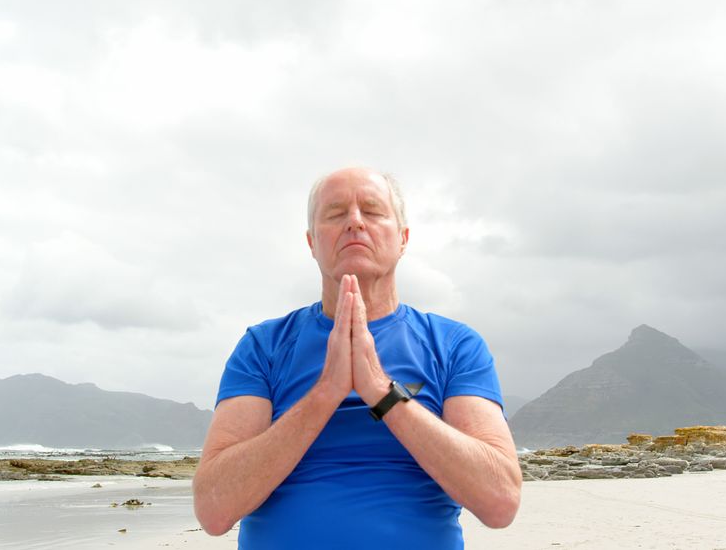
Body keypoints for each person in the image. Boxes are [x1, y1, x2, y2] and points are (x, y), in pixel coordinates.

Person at [193, 168, 521, 548]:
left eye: (372, 210)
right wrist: (325, 393)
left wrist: (382, 393)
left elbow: (500, 502)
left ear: (403, 238)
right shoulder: (263, 346)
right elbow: (214, 510)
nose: (354, 222)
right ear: (312, 242)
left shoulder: (454, 345)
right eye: (334, 213)